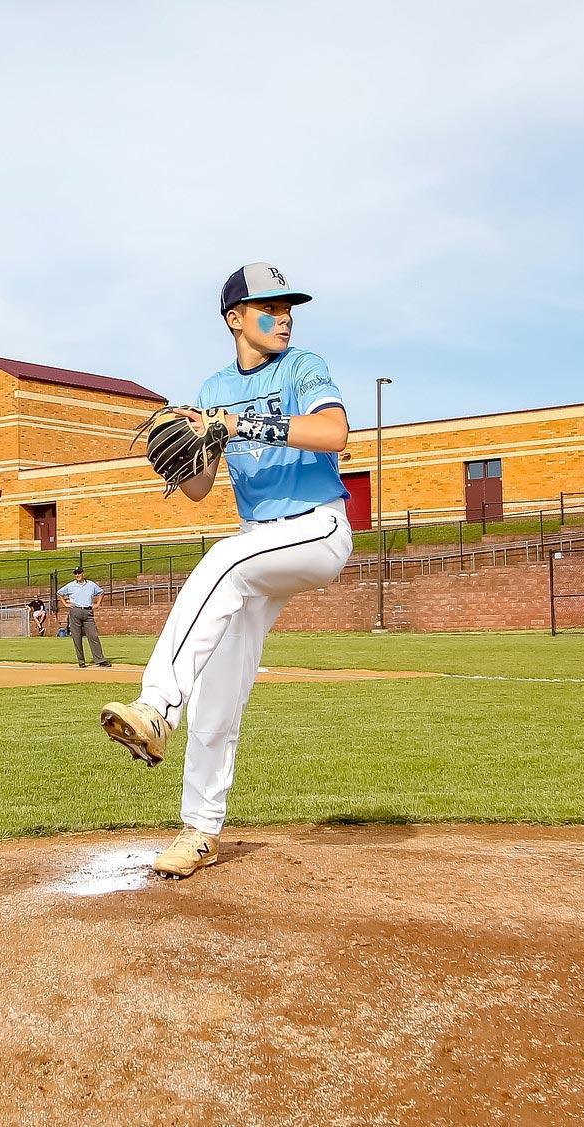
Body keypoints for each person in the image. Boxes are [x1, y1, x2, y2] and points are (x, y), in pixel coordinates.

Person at [100, 262, 352, 879]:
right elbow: (200, 489)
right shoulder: (211, 389)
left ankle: (156, 705)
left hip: (317, 528)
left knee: (223, 560)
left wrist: (240, 424)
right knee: (216, 684)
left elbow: (334, 433)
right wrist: (181, 458)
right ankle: (200, 830)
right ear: (235, 318)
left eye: (289, 305)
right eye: (271, 306)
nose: (285, 315)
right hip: (257, 544)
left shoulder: (302, 367)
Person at [57, 567, 111, 668]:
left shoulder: (91, 584)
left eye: (79, 573)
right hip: (75, 611)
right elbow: (59, 593)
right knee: (76, 637)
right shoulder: (71, 585)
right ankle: (81, 661)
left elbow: (101, 592)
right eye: (75, 573)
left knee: (93, 636)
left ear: (83, 573)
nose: (77, 575)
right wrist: (65, 603)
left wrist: (98, 603)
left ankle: (100, 659)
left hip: (88, 611)